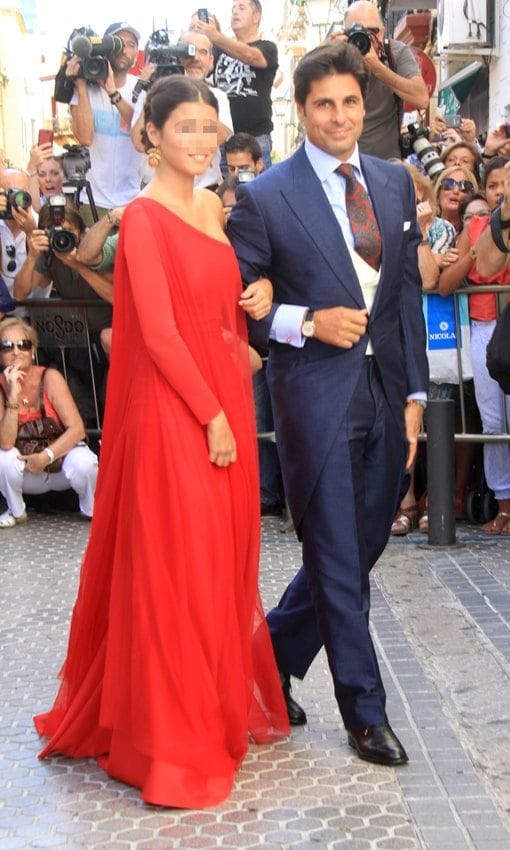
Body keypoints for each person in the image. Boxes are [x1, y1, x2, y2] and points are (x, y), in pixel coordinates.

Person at [34, 75, 289, 808]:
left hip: (222, 397)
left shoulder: (213, 204)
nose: (204, 140)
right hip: (177, 411)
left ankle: (208, 708)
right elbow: (158, 330)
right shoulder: (139, 217)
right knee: (175, 562)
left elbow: (220, 298)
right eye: (187, 127)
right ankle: (170, 741)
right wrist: (210, 414)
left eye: (211, 127)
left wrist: (259, 297)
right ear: (150, 135)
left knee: (219, 560)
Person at [228, 41, 428, 766]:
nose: (339, 116)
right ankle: (365, 712)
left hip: (383, 391)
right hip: (315, 395)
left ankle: (269, 657)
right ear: (301, 110)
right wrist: (306, 321)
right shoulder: (265, 194)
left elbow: (404, 295)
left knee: (362, 544)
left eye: (349, 102)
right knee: (339, 557)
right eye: (324, 105)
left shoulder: (393, 181)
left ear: (363, 104)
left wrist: (414, 394)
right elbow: (239, 304)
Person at [439, 157, 510, 535]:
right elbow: (446, 284)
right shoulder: (478, 226)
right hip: (485, 331)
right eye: (495, 185)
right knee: (495, 422)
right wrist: (472, 249)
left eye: (507, 184)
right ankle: (503, 504)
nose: (502, 192)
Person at [0, 318, 98, 526]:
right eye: (7, 347)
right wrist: (13, 398)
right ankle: (17, 511)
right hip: (26, 470)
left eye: (23, 345)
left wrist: (46, 456)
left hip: (59, 463)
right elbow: (6, 443)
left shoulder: (51, 377)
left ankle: (91, 509)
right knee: (3, 458)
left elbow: (77, 429)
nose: (16, 352)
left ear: (33, 350)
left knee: (85, 462)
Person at [131, 29, 233, 192]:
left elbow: (218, 136)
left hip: (204, 193)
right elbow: (139, 141)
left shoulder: (218, 96)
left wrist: (190, 91)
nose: (196, 58)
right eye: (189, 51)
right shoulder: (152, 91)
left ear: (211, 60)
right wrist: (155, 92)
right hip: (158, 194)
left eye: (203, 52)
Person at [65, 22, 144, 222]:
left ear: (136, 55)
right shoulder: (84, 88)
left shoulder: (142, 89)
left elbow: (143, 136)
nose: (124, 49)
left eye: (131, 44)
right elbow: (85, 137)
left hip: (133, 200)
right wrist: (81, 86)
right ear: (105, 47)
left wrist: (112, 91)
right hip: (92, 200)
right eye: (117, 43)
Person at [331, 0, 429, 159]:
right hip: (341, 163)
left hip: (386, 164)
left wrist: (378, 68)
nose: (363, 39)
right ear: (344, 33)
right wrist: (328, 52)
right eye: (355, 33)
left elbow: (421, 98)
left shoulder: (395, 53)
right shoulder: (334, 55)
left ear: (382, 32)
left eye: (370, 32)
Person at [191, 1, 278, 170]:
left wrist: (215, 36)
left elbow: (250, 56)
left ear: (256, 16)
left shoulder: (267, 47)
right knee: (225, 193)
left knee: (258, 193)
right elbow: (198, 70)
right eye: (233, 9)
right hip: (222, 138)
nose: (235, 12)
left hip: (256, 138)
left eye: (241, 8)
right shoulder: (217, 50)